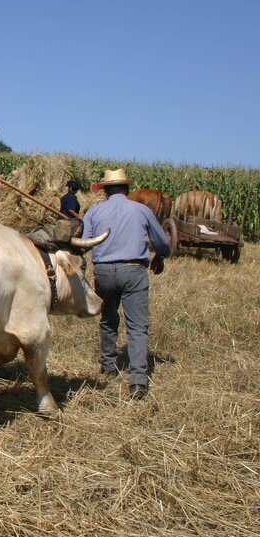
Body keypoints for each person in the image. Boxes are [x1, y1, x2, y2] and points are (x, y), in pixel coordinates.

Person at [82, 168, 171, 400]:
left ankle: (108, 365)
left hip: (103, 271)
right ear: (127, 190)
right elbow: (161, 242)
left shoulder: (94, 212)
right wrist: (159, 255)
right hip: (133, 271)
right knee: (137, 326)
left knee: (108, 319)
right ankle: (138, 381)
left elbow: (85, 243)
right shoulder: (141, 210)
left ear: (105, 192)